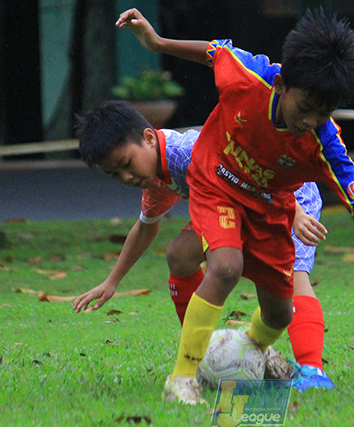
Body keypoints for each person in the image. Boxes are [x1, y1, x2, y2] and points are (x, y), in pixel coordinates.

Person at [115, 7, 354, 405]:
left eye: (322, 113)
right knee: (225, 266)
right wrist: (157, 43)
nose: (310, 121)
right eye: (304, 107)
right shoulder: (250, 75)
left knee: (280, 313)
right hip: (215, 184)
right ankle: (182, 377)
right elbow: (212, 52)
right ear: (283, 85)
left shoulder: (326, 143)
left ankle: (254, 347)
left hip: (269, 206)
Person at [70, 101, 335, 389]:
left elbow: (255, 167)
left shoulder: (188, 152)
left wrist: (294, 212)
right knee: (180, 254)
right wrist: (112, 281)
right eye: (116, 174)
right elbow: (145, 228)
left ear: (148, 138)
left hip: (287, 194)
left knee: (293, 281)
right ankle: (206, 353)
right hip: (233, 203)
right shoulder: (156, 176)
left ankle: (312, 371)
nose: (127, 178)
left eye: (126, 164)